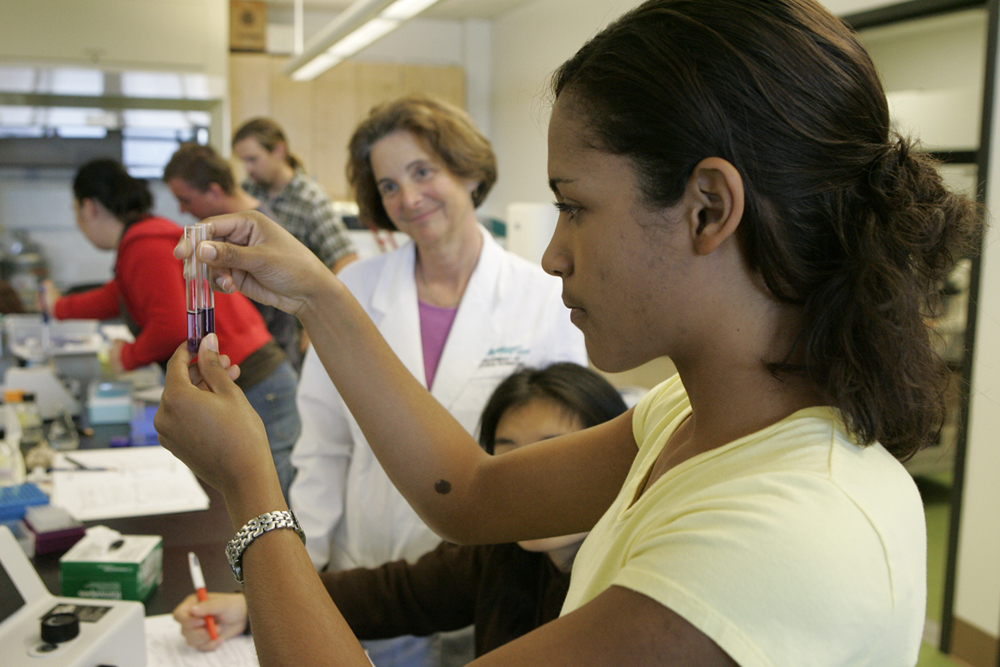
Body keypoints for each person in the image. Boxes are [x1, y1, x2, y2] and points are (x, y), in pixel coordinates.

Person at [155, 0, 984, 665]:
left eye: (575, 206)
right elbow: (470, 492)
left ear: (708, 208)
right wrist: (320, 295)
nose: (552, 253)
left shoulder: (788, 531)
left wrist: (246, 483)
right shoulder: (687, 417)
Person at [287, 93, 587, 667]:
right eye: (390, 185)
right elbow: (323, 448)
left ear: (469, 170)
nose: (408, 197)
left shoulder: (544, 298)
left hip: (487, 585)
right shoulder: (347, 295)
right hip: (368, 579)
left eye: (423, 171)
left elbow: (564, 453)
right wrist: (306, 565)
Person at [173, 363, 627, 657]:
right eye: (507, 454)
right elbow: (394, 593)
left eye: (555, 454)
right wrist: (249, 608)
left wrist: (246, 477)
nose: (525, 477)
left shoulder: (627, 588)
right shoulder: (503, 553)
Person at [46, 159, 301, 501]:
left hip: (257, 383)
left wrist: (127, 356)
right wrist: (59, 308)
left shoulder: (143, 245)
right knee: (263, 501)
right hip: (253, 380)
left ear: (88, 207)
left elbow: (170, 326)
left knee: (275, 504)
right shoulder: (142, 240)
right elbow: (119, 295)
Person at [163, 143, 305, 372]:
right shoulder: (219, 228)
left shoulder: (261, 231)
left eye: (185, 199)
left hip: (266, 367)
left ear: (215, 190)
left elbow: (259, 313)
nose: (181, 210)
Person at [232, 117, 357, 274]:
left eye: (252, 159)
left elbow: (346, 260)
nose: (247, 168)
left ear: (279, 151)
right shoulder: (247, 190)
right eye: (243, 161)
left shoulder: (311, 199)